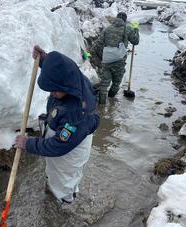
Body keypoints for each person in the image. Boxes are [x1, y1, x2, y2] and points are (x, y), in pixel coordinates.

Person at [15, 46, 100, 204]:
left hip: (68, 149)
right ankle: (56, 192)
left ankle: (65, 205)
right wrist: (45, 61)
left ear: (65, 85)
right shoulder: (73, 79)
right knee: (55, 174)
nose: (52, 93)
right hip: (64, 134)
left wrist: (29, 143)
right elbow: (62, 69)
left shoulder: (75, 114)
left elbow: (58, 146)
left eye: (56, 90)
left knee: (64, 181)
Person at [91, 12, 140, 104]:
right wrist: (136, 29)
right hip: (119, 61)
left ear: (116, 18)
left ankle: (102, 105)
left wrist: (89, 53)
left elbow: (98, 43)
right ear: (125, 20)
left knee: (104, 83)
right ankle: (111, 100)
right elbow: (135, 41)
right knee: (116, 83)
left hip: (106, 59)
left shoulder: (107, 29)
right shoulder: (127, 28)